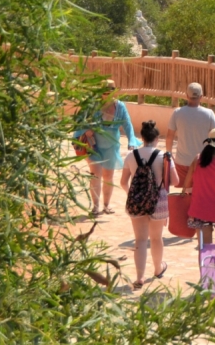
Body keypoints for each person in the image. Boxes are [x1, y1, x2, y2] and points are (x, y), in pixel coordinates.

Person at [120, 119, 176, 289]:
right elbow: (175, 180)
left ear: (142, 137)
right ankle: (158, 269)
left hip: (137, 203)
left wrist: (135, 194)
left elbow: (123, 182)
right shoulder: (163, 156)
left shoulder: (131, 156)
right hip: (158, 202)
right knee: (156, 238)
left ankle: (139, 277)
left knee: (140, 240)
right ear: (156, 138)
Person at [75, 79, 138, 217]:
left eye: (110, 92)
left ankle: (106, 205)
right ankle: (95, 207)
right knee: (95, 174)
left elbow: (127, 125)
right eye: (104, 92)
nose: (107, 95)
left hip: (111, 146)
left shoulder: (120, 107)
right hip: (94, 146)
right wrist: (86, 130)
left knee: (108, 176)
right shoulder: (92, 106)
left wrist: (131, 140)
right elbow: (80, 121)